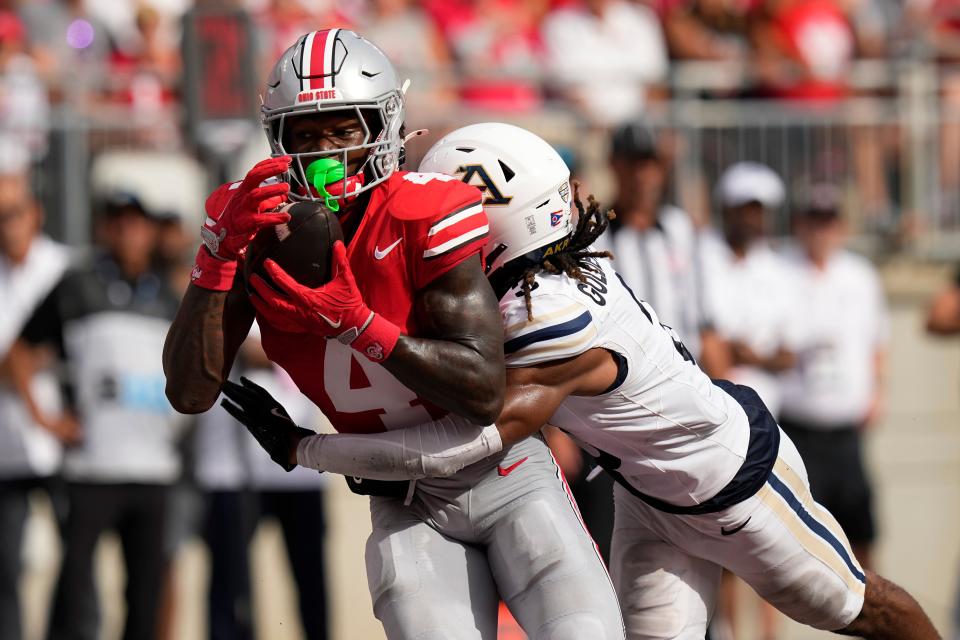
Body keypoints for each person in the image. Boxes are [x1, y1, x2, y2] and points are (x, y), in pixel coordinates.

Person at [223, 123, 940, 640]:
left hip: (728, 483)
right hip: (645, 495)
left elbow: (457, 443)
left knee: (855, 606)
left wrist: (306, 447)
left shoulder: (544, 316)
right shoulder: (539, 276)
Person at [163, 29, 624, 640]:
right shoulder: (256, 235)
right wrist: (216, 258)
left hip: (505, 473)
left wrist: (358, 327)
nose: (323, 153)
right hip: (403, 501)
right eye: (306, 134)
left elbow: (482, 390)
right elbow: (191, 392)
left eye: (342, 131)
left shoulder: (424, 212)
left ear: (381, 128)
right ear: (278, 138)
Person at [8, 191, 187, 640]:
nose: (129, 231)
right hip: (93, 467)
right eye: (119, 222)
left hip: (154, 469)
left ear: (150, 231)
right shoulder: (78, 284)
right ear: (105, 229)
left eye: (137, 222)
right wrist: (45, 418)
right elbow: (18, 352)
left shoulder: (169, 295)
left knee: (145, 593)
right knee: (75, 588)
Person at [702, 162, 800, 640]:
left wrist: (745, 350)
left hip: (766, 424)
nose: (751, 219)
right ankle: (730, 634)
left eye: (758, 210)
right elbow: (712, 343)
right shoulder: (704, 258)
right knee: (724, 540)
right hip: (715, 421)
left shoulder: (776, 269)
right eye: (744, 209)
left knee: (765, 540)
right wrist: (749, 350)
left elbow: (785, 351)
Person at [778, 184, 888, 570]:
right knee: (785, 542)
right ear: (800, 224)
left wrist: (878, 392)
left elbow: (877, 340)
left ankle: (873, 625)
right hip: (796, 429)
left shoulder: (860, 275)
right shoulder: (780, 271)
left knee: (862, 535)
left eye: (829, 222)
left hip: (846, 431)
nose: (821, 231)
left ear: (840, 226)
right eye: (814, 221)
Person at [0, 169, 71, 640]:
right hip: (6, 445)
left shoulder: (64, 268)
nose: (7, 224)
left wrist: (26, 359)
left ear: (36, 213)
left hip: (63, 441)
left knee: (77, 565)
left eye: (14, 213)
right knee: (5, 573)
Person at [598, 120, 722, 372]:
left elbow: (703, 319)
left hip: (685, 371)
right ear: (613, 165)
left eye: (650, 164)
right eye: (631, 164)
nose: (642, 175)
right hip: (626, 377)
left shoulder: (679, 228)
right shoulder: (594, 233)